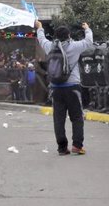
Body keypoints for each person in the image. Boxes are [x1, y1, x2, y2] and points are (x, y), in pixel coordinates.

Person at [35, 20, 93, 155]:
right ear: (68, 35)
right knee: (77, 117)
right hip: (73, 86)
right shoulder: (76, 46)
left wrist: (40, 28)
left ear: (55, 36)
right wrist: (87, 28)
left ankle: (62, 148)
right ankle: (77, 146)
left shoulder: (50, 47)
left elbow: (41, 39)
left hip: (56, 88)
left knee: (59, 118)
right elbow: (88, 41)